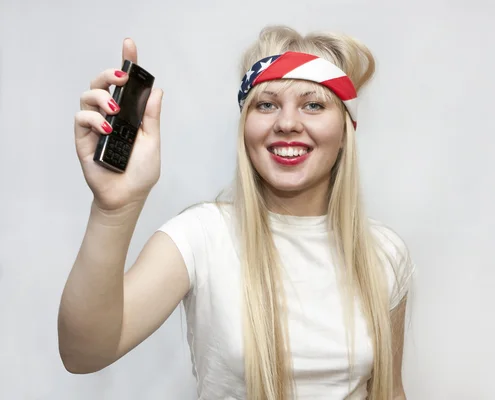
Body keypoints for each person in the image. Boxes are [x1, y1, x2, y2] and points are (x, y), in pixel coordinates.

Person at [58, 25, 415, 400]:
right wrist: (114, 208)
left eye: (313, 104)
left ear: (345, 129)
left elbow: (390, 392)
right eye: (266, 104)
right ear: (246, 125)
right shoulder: (201, 235)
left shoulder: (385, 252)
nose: (287, 123)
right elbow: (83, 353)